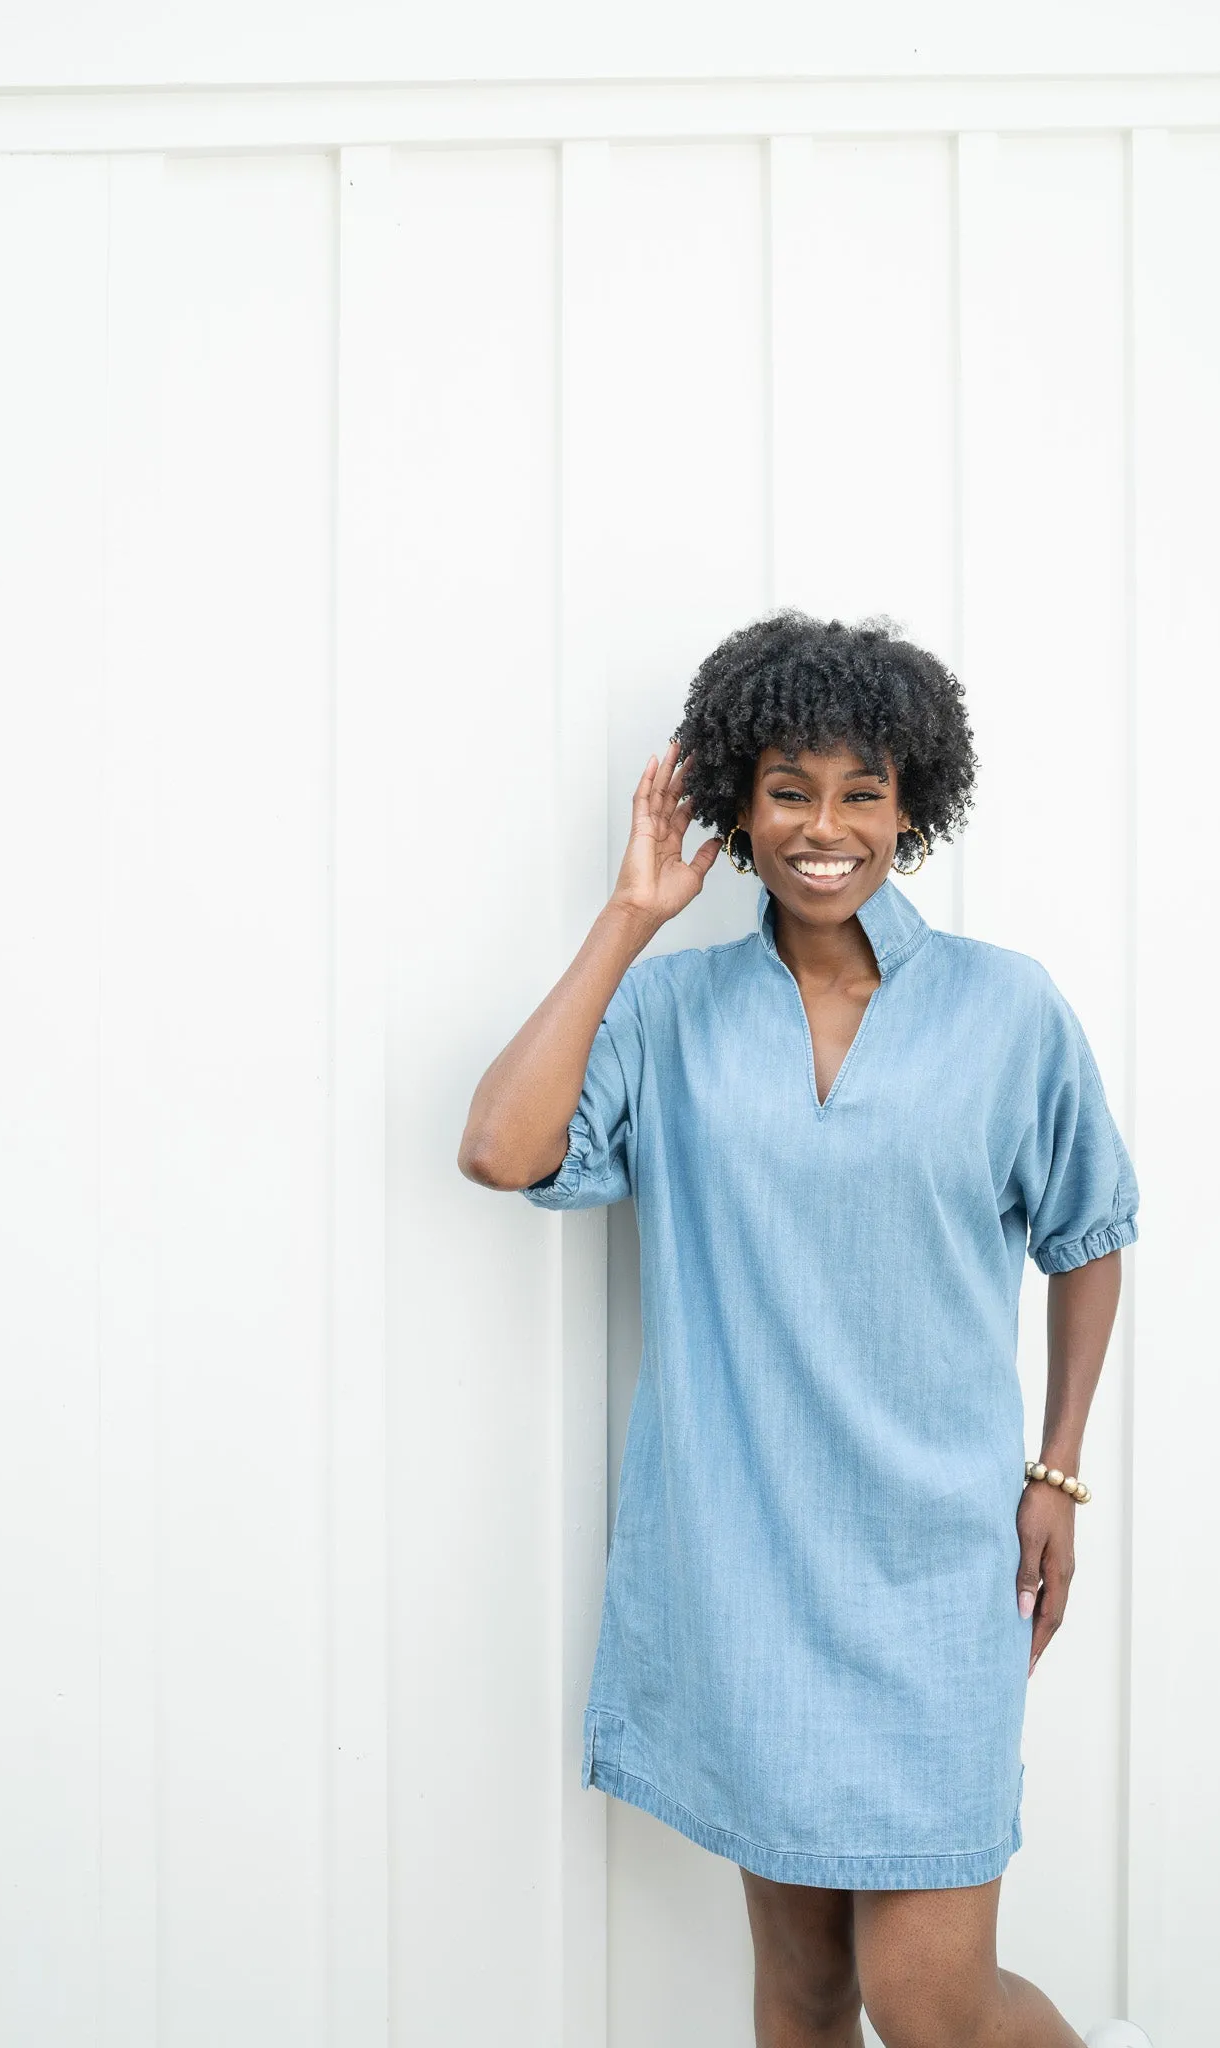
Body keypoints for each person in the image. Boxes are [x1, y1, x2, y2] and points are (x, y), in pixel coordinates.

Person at [458, 612, 1147, 2048]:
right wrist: (630, 915)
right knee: (806, 1992)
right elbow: (502, 1151)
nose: (824, 829)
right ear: (736, 803)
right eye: (788, 790)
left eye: (861, 793)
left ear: (914, 805)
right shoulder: (674, 1006)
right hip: (751, 1566)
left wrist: (1061, 1467)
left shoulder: (1007, 1011)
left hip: (943, 1568)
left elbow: (1090, 1235)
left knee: (928, 1998)